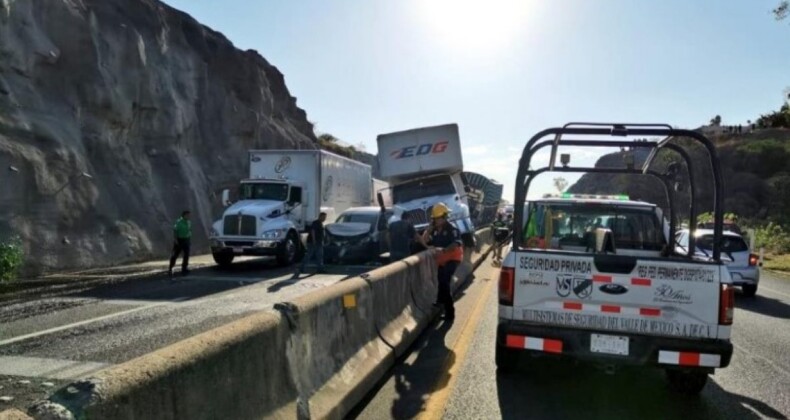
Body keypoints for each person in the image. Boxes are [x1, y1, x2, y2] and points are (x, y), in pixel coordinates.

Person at [422, 203, 463, 321]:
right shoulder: (434, 230)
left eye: (436, 219)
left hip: (453, 259)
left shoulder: (452, 229)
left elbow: (456, 243)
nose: (435, 221)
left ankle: (450, 313)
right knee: (441, 280)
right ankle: (440, 302)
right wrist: (428, 231)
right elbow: (425, 241)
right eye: (433, 219)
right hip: (441, 261)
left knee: (445, 283)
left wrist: (445, 250)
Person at [295, 212, 327, 277]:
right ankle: (301, 268)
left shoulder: (320, 223)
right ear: (320, 216)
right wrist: (314, 240)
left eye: (325, 217)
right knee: (309, 255)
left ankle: (320, 269)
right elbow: (313, 231)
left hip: (319, 242)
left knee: (320, 256)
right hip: (313, 242)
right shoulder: (316, 223)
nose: (324, 219)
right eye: (323, 217)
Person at [169, 210, 192, 278]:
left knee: (186, 254)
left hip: (186, 239)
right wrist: (176, 240)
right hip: (179, 240)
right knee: (175, 254)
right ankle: (171, 268)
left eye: (189, 215)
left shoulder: (189, 222)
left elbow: (189, 230)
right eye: (188, 215)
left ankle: (184, 268)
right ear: (184, 215)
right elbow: (175, 231)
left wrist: (189, 238)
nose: (189, 216)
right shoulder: (179, 222)